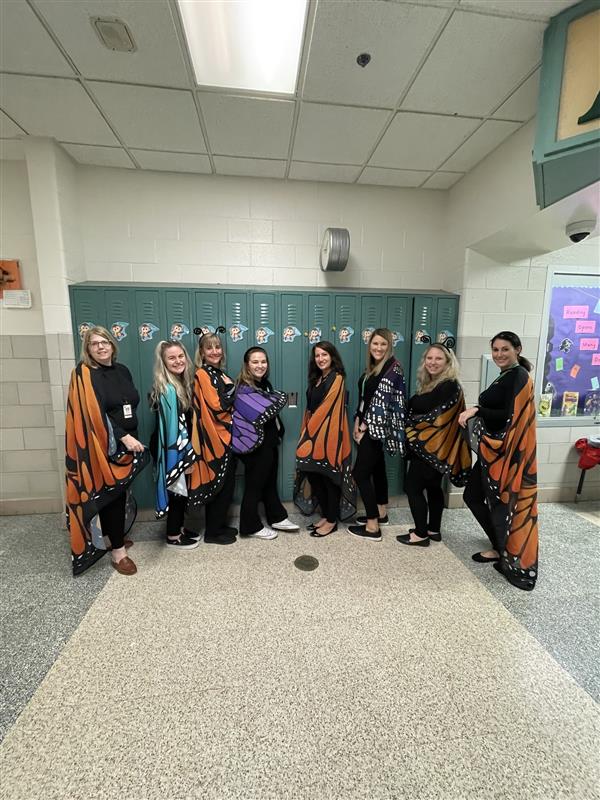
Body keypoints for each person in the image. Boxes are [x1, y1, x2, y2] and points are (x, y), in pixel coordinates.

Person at [65, 326, 150, 576]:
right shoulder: (84, 374)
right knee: (111, 495)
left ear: (113, 345)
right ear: (87, 348)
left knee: (121, 494)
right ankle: (118, 554)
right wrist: (122, 436)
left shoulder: (121, 370)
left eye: (105, 342)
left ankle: (114, 538)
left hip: (128, 442)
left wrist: (130, 436)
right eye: (94, 344)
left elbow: (129, 404)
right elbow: (93, 414)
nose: (101, 347)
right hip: (102, 446)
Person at [458, 331, 538, 591]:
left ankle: (506, 551)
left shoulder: (519, 376)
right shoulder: (507, 376)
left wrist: (477, 410)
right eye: (495, 350)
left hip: (505, 455)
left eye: (505, 349)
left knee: (501, 503)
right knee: (474, 496)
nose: (499, 354)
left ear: (517, 349)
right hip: (491, 453)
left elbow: (508, 415)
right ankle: (499, 545)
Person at [397, 344, 471, 547]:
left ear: (448, 362)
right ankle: (433, 529)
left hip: (431, 450)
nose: (433, 362)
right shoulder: (435, 383)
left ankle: (420, 534)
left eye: (439, 359)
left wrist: (409, 410)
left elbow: (428, 412)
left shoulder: (449, 385)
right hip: (437, 451)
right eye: (429, 358)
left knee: (412, 488)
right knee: (433, 488)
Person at [233, 347, 299, 540]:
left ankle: (276, 516)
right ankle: (250, 526)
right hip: (255, 447)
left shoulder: (265, 384)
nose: (260, 366)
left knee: (269, 482)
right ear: (247, 365)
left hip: (269, 442)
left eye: (263, 362)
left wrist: (278, 432)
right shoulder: (244, 387)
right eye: (255, 362)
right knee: (254, 485)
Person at [348, 328, 406, 542]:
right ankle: (381, 513)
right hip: (365, 425)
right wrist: (357, 420)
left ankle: (372, 526)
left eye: (383, 344)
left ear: (389, 346)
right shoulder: (373, 368)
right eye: (375, 344)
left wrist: (365, 426)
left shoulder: (393, 369)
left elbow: (385, 403)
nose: (378, 348)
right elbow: (366, 398)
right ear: (369, 345)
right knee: (378, 468)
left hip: (375, 429)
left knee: (360, 474)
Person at [294, 341, 355, 536]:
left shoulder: (336, 378)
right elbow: (310, 409)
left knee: (330, 477)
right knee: (315, 475)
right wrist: (306, 430)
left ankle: (331, 520)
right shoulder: (317, 379)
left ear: (332, 357)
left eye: (324, 355)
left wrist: (308, 435)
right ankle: (326, 515)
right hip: (313, 435)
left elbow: (328, 408)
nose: (320, 359)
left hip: (329, 437)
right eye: (317, 355)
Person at [149, 340, 201, 550]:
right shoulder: (168, 388)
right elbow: (174, 429)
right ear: (163, 362)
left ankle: (178, 528)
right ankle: (172, 536)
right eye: (171, 358)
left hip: (177, 445)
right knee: (177, 491)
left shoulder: (180, 383)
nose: (178, 361)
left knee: (180, 490)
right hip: (172, 447)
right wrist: (182, 456)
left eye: (180, 356)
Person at [187, 329, 237, 545]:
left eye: (217, 347)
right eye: (210, 348)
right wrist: (237, 396)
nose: (215, 351)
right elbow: (216, 406)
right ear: (202, 352)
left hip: (228, 436)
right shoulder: (202, 374)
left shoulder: (221, 373)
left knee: (227, 484)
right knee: (218, 484)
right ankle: (212, 533)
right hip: (213, 438)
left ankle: (220, 525)